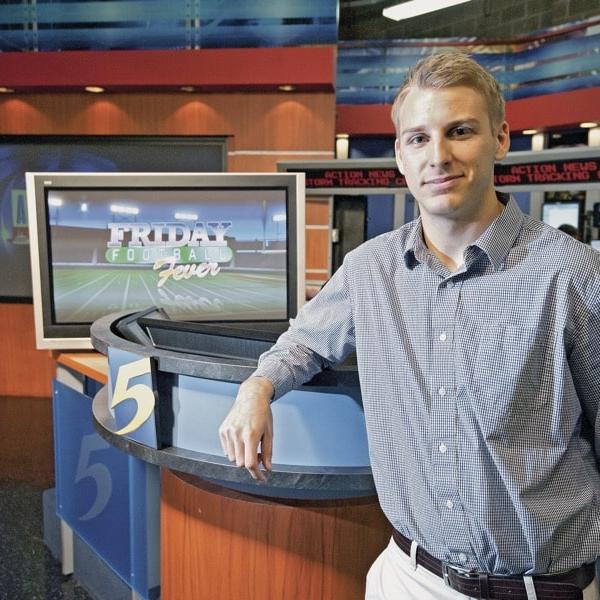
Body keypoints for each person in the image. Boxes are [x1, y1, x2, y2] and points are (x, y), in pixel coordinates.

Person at [219, 52, 600, 600]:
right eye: (418, 138)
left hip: (542, 588)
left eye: (460, 131)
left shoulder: (574, 277)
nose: (438, 156)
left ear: (501, 139)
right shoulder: (369, 269)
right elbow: (305, 340)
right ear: (400, 154)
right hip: (408, 577)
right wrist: (257, 387)